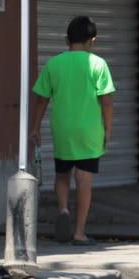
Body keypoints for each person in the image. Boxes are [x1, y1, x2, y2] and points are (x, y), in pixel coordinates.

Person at [28, 16, 115, 245]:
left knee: (62, 175)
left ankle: (64, 209)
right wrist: (108, 129)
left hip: (62, 129)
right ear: (92, 41)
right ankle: (79, 232)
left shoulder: (54, 64)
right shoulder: (98, 64)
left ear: (67, 40)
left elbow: (41, 99)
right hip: (89, 131)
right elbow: (107, 102)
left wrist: (35, 127)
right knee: (84, 179)